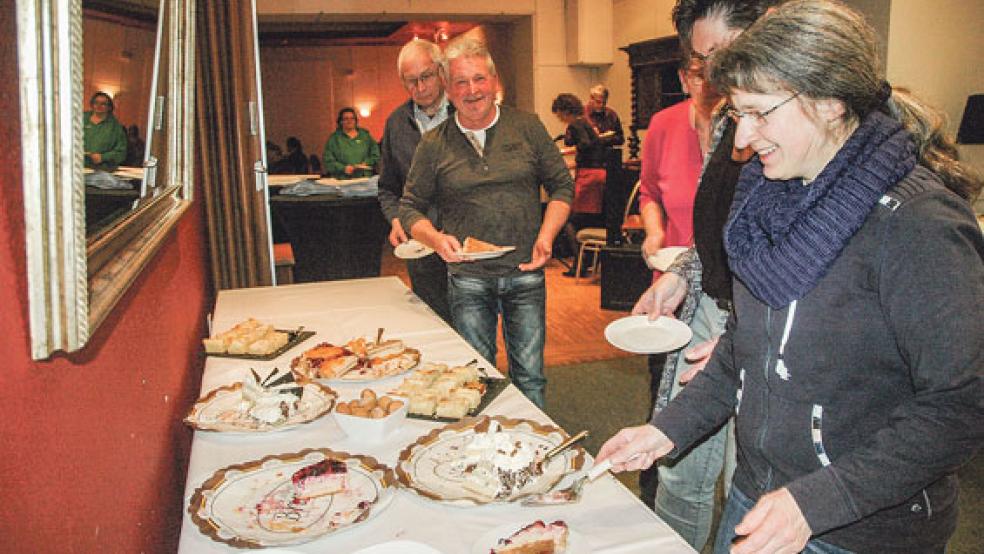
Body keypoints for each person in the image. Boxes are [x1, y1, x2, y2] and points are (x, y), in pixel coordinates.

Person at [598, 2, 984, 553]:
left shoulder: (918, 224)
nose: (743, 138)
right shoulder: (764, 194)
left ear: (829, 102)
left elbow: (959, 405)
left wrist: (815, 502)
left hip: (858, 527)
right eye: (738, 114)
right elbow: (743, 347)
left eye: (759, 113)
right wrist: (668, 429)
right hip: (758, 494)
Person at [633, 0, 781, 549]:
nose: (712, 73)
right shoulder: (730, 120)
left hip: (758, 324)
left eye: (720, 53)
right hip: (710, 312)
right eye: (701, 60)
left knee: (745, 483)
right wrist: (681, 274)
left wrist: (749, 332)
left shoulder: (792, 129)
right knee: (678, 470)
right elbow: (718, 226)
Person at [399, 37, 574, 408]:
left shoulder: (527, 127)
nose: (472, 90)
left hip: (525, 272)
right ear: (447, 89)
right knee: (476, 378)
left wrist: (546, 236)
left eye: (479, 79)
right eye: (460, 82)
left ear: (494, 82)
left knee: (530, 376)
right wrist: (435, 239)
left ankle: (529, 439)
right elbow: (410, 208)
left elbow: (562, 186)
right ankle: (482, 441)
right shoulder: (434, 143)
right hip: (468, 279)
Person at [377, 39, 454, 323]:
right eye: (411, 81)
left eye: (426, 77)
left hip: (466, 245)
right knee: (433, 323)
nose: (420, 88)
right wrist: (397, 218)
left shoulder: (465, 113)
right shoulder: (396, 124)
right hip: (421, 247)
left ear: (441, 72)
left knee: (473, 333)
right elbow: (387, 188)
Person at [551, 93, 607, 277]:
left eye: (559, 114)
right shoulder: (586, 122)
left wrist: (564, 152)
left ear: (565, 111)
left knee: (569, 220)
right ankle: (586, 260)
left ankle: (580, 263)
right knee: (588, 219)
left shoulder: (576, 124)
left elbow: (585, 145)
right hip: (598, 173)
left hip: (589, 178)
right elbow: (592, 152)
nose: (559, 118)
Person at [585, 84, 627, 246]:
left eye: (603, 102)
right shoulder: (584, 116)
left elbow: (620, 138)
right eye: (597, 101)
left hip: (609, 165)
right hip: (590, 165)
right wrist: (595, 138)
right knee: (590, 210)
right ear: (591, 99)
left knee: (610, 207)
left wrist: (604, 138)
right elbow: (574, 140)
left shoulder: (611, 115)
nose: (600, 105)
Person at [322, 107, 380, 179]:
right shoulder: (334, 139)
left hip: (364, 178)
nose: (349, 121)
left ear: (356, 121)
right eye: (346, 119)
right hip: (342, 179)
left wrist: (366, 163)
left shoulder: (365, 136)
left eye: (352, 118)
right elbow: (328, 160)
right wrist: (343, 168)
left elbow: (376, 154)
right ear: (341, 121)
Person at [83, 91, 127, 172]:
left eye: (103, 104)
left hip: (103, 170)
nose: (99, 106)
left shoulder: (115, 127)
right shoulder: (81, 119)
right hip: (79, 166)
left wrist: (103, 157)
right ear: (92, 104)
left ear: (109, 107)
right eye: (96, 103)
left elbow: (121, 153)